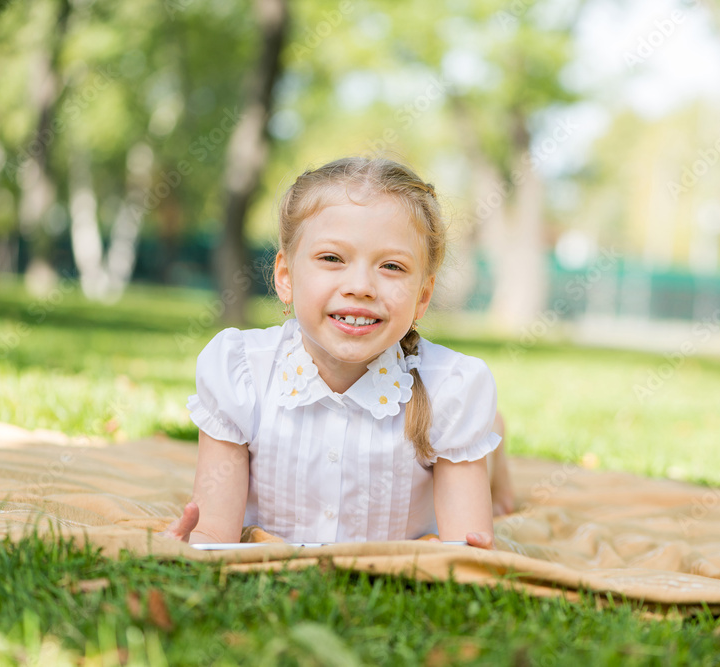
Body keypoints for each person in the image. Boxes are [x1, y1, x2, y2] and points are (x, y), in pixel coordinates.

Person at [162, 157, 514, 549]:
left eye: (392, 266)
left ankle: (494, 441)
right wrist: (189, 544)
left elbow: (467, 551)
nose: (360, 286)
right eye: (332, 259)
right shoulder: (242, 373)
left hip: (453, 431)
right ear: (286, 278)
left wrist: (470, 548)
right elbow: (212, 536)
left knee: (483, 438)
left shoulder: (451, 391)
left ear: (423, 297)